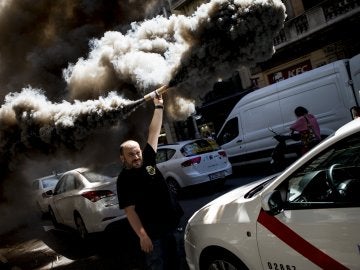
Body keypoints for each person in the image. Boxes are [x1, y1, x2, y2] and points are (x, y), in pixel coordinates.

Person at [116, 87, 184, 270]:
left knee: (181, 263)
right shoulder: (123, 180)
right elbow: (130, 212)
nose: (137, 156)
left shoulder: (149, 159)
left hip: (174, 224)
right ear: (123, 158)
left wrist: (159, 106)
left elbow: (153, 132)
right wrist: (143, 235)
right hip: (153, 235)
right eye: (131, 154)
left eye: (137, 152)